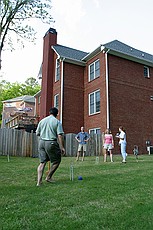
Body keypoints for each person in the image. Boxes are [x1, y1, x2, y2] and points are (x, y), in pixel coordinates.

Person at [36, 107, 65, 186]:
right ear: (57, 114)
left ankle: (39, 182)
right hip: (51, 142)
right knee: (56, 161)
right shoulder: (57, 122)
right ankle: (48, 177)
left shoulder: (42, 121)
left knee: (42, 162)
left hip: (41, 142)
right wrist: (62, 147)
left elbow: (37, 133)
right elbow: (59, 135)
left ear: (49, 113)